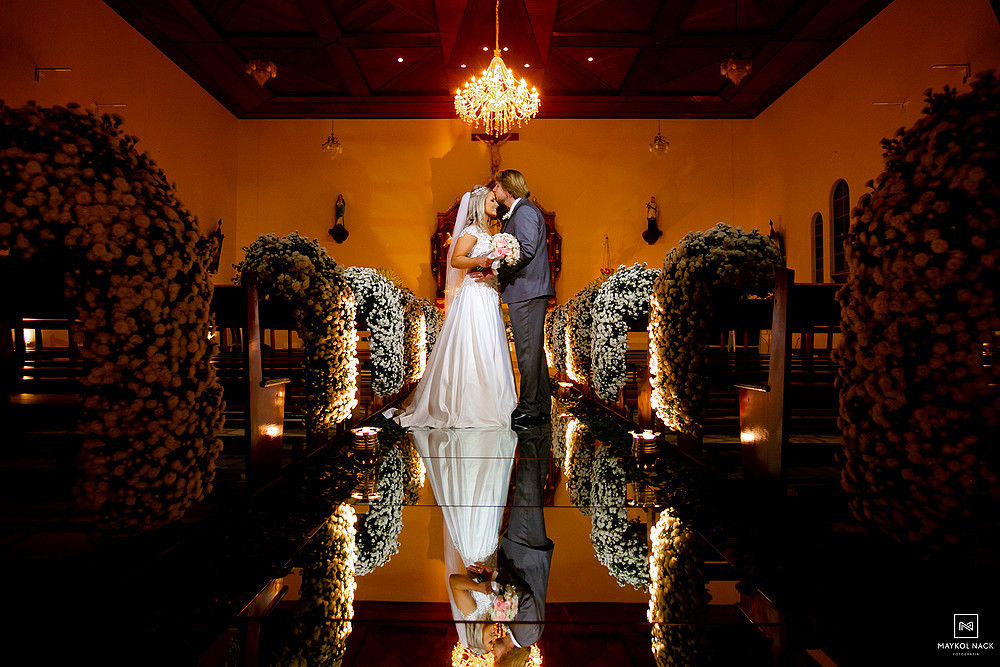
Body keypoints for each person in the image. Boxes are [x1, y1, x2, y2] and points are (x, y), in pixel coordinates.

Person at [397, 185, 517, 428]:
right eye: (492, 201)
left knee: (488, 344)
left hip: (487, 292)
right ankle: (470, 404)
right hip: (475, 295)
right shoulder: (472, 230)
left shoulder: (486, 230)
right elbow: (455, 259)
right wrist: (480, 261)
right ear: (479, 203)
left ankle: (491, 400)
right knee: (475, 344)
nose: (496, 205)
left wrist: (495, 265)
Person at [491, 170, 554, 428]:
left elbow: (526, 250)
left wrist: (497, 268)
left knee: (527, 351)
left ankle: (529, 407)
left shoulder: (525, 211)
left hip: (527, 290)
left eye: (497, 186)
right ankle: (539, 405)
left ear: (508, 189)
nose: (494, 190)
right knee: (533, 351)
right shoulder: (519, 211)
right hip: (527, 290)